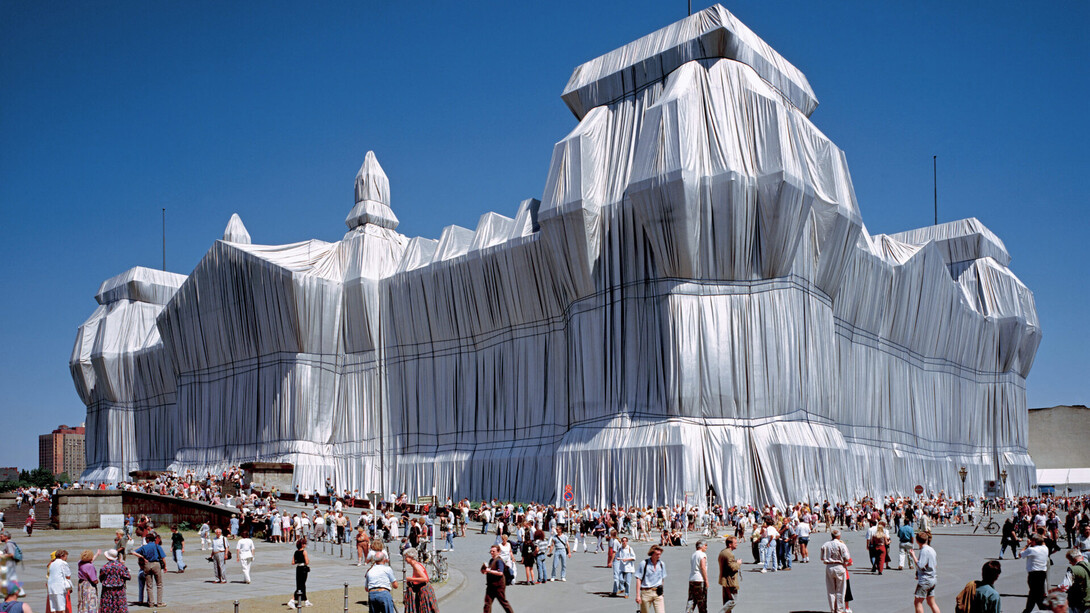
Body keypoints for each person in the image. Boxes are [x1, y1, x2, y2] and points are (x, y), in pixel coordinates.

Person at [821, 530, 851, 613]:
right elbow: (847, 557)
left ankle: (833, 609)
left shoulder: (825, 544)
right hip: (839, 566)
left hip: (829, 566)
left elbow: (822, 557)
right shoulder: (841, 545)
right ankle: (839, 609)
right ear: (839, 536)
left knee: (830, 589)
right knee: (840, 589)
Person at [132, 533, 165, 607]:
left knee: (149, 585)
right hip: (156, 564)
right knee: (159, 584)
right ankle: (159, 602)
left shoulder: (144, 547)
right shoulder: (157, 546)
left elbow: (133, 552)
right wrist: (165, 566)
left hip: (147, 564)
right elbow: (163, 557)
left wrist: (142, 557)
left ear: (147, 539)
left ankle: (151, 603)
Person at [911, 532, 939, 613]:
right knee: (931, 601)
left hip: (925, 579)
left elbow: (920, 565)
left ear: (917, 541)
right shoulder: (931, 549)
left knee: (918, 601)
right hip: (932, 578)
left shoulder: (924, 550)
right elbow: (935, 565)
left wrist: (913, 555)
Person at [402, 548, 438, 613]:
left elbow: (425, 579)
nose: (405, 559)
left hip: (424, 590)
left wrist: (411, 579)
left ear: (411, 557)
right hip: (422, 590)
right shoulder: (415, 564)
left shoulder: (416, 565)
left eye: (406, 557)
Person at [1022, 534, 1051, 613]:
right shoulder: (1045, 549)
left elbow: (1021, 554)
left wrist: (1027, 545)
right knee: (1038, 594)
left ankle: (1028, 611)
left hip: (1033, 574)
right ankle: (1041, 609)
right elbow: (1043, 544)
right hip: (1042, 573)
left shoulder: (1031, 550)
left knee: (1033, 594)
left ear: (1034, 541)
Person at [481, 545, 514, 613]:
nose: (491, 552)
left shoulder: (499, 561)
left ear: (498, 552)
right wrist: (484, 571)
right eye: (491, 551)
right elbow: (490, 570)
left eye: (493, 551)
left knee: (503, 602)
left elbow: (500, 573)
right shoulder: (491, 560)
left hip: (498, 586)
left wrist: (489, 571)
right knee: (487, 604)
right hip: (491, 585)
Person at [635, 545, 667, 613]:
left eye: (660, 554)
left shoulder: (661, 564)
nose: (659, 556)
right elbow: (638, 579)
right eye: (657, 554)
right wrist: (638, 595)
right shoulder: (644, 563)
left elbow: (662, 578)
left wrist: (662, 590)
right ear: (652, 554)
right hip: (646, 592)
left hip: (658, 593)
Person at [718, 535, 741, 613]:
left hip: (724, 579)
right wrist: (738, 563)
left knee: (727, 600)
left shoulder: (723, 552)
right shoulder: (729, 554)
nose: (736, 544)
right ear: (730, 544)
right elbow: (732, 567)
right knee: (732, 601)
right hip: (729, 580)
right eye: (735, 543)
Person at [289, 539, 312, 609]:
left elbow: (293, 562)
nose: (305, 545)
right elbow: (307, 562)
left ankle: (306, 600)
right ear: (302, 545)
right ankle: (292, 600)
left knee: (301, 584)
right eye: (304, 544)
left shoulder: (296, 552)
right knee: (301, 585)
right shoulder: (304, 552)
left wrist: (298, 560)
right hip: (303, 569)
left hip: (298, 568)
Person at [0, 533, 25, 597]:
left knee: (7, 578)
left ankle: (19, 592)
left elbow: (11, 554)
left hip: (9, 564)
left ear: (6, 537)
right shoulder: (9, 543)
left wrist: (2, 555)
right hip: (9, 564)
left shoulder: (9, 544)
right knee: (11, 578)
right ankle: (20, 592)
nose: (0, 538)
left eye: (1, 536)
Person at [688, 540, 709, 613]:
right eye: (705, 545)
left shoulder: (693, 554)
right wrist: (706, 581)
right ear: (701, 546)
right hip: (700, 580)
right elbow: (703, 567)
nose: (706, 547)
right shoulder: (702, 555)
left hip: (692, 579)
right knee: (702, 602)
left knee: (691, 600)